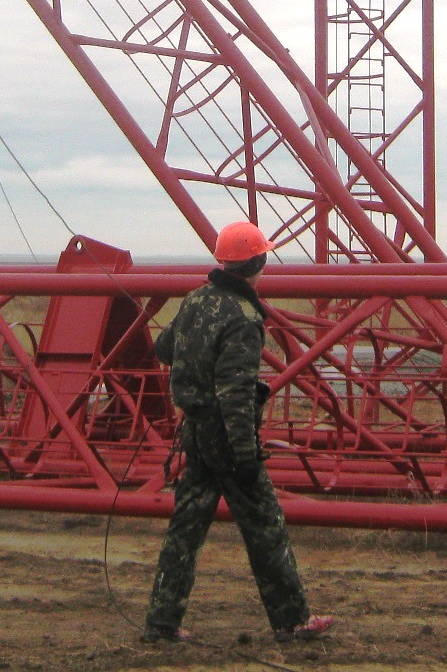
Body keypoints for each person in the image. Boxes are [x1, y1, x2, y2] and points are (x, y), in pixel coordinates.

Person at [142, 221, 335, 645]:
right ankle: (292, 621)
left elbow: (162, 350)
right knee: (265, 524)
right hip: (227, 437)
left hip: (195, 431)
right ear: (258, 262)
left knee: (186, 528)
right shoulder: (245, 317)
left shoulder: (195, 300)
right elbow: (235, 393)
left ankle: (162, 622)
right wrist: (246, 455)